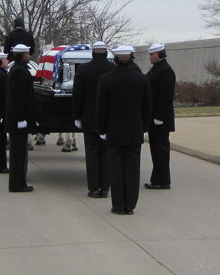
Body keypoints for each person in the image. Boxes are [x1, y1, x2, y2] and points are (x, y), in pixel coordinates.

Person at [97, 45, 151, 215]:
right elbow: (147, 107)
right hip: (134, 130)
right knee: (132, 169)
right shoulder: (142, 79)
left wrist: (102, 129)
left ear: (115, 58)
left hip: (114, 130)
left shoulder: (106, 79)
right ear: (132, 57)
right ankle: (130, 205)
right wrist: (144, 127)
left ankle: (119, 205)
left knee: (116, 169)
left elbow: (101, 107)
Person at [72, 41, 115, 198]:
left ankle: (94, 188)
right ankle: (105, 188)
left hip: (89, 117)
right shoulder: (113, 69)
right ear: (105, 53)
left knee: (91, 153)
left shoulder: (83, 69)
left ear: (93, 53)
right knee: (106, 152)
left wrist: (77, 116)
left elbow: (77, 96)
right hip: (108, 119)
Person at [4, 43, 35, 192]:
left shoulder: (18, 69)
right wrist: (20, 119)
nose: (29, 56)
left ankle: (19, 183)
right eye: (28, 54)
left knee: (19, 153)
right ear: (22, 55)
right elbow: (17, 98)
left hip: (18, 120)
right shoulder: (19, 71)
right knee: (18, 154)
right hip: (18, 121)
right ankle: (17, 184)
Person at [145, 43, 176, 190]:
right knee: (156, 150)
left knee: (161, 150)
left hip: (160, 118)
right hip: (154, 117)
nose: (150, 57)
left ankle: (163, 180)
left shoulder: (166, 71)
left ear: (160, 54)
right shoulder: (157, 69)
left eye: (152, 54)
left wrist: (160, 116)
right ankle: (157, 178)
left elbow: (166, 97)